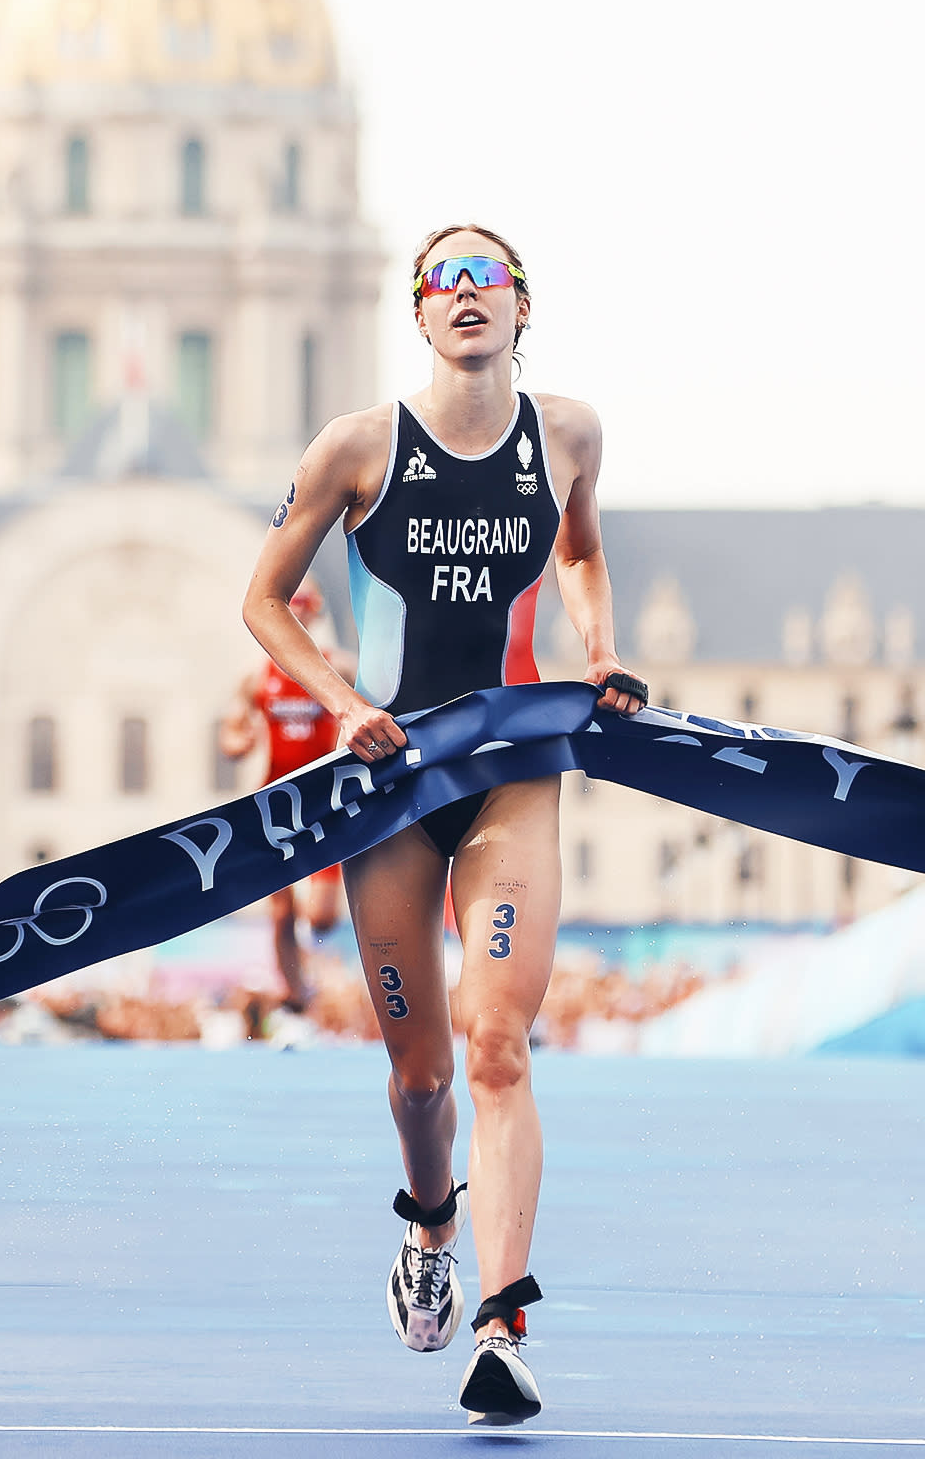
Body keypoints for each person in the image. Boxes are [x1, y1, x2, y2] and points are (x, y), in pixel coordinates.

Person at [241, 223, 643, 1427]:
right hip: (396, 782)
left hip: (515, 767)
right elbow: (263, 600)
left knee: (497, 1042)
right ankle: (430, 1228)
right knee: (420, 1076)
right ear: (417, 316)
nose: (467, 293)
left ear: (524, 307)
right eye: (443, 281)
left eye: (488, 277)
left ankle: (505, 1322)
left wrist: (604, 649)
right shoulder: (357, 448)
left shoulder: (567, 432)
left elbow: (579, 551)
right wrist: (346, 703)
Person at [217, 580, 350, 1013]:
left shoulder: (339, 668)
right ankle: (295, 993)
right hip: (275, 798)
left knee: (323, 916)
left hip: (324, 798)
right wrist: (239, 741)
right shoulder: (257, 676)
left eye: (304, 616)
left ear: (314, 618)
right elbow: (231, 735)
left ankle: (314, 972)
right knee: (280, 912)